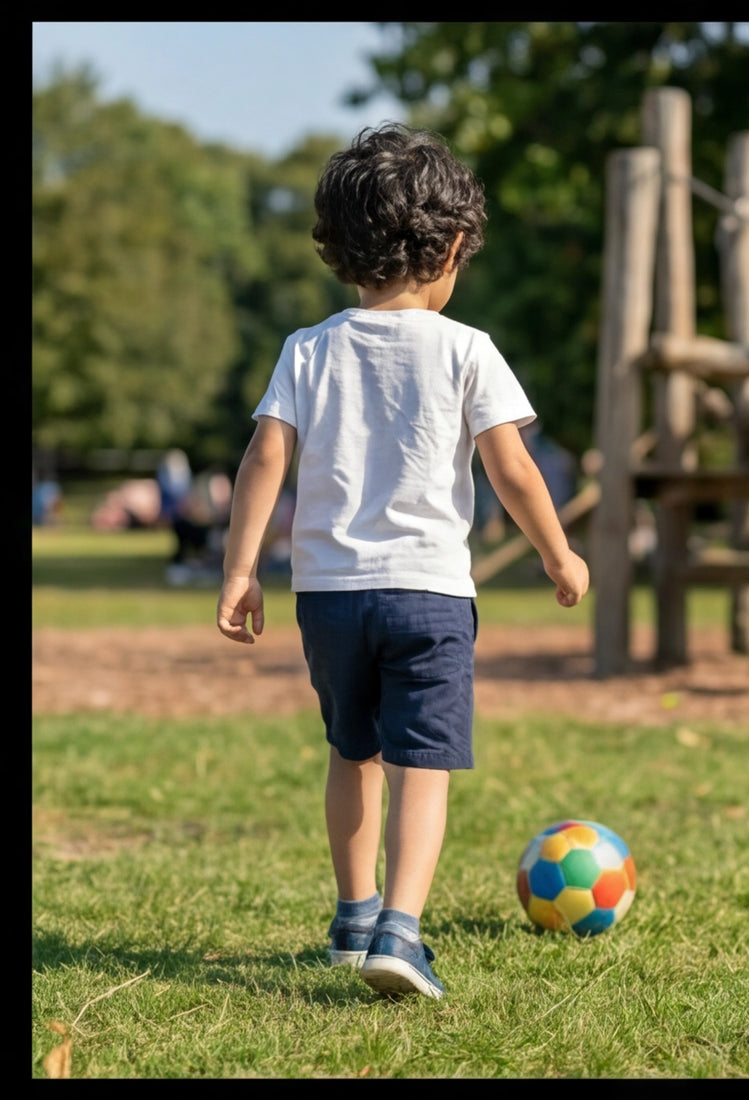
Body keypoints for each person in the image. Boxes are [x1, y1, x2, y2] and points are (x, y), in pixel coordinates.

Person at [216, 123, 588, 1001]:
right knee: (423, 761)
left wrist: (240, 568)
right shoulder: (467, 349)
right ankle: (401, 932)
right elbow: (512, 470)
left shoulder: (307, 348)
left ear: (341, 252)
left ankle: (352, 917)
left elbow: (265, 458)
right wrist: (559, 551)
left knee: (353, 752)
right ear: (455, 245)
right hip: (428, 594)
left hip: (330, 597)